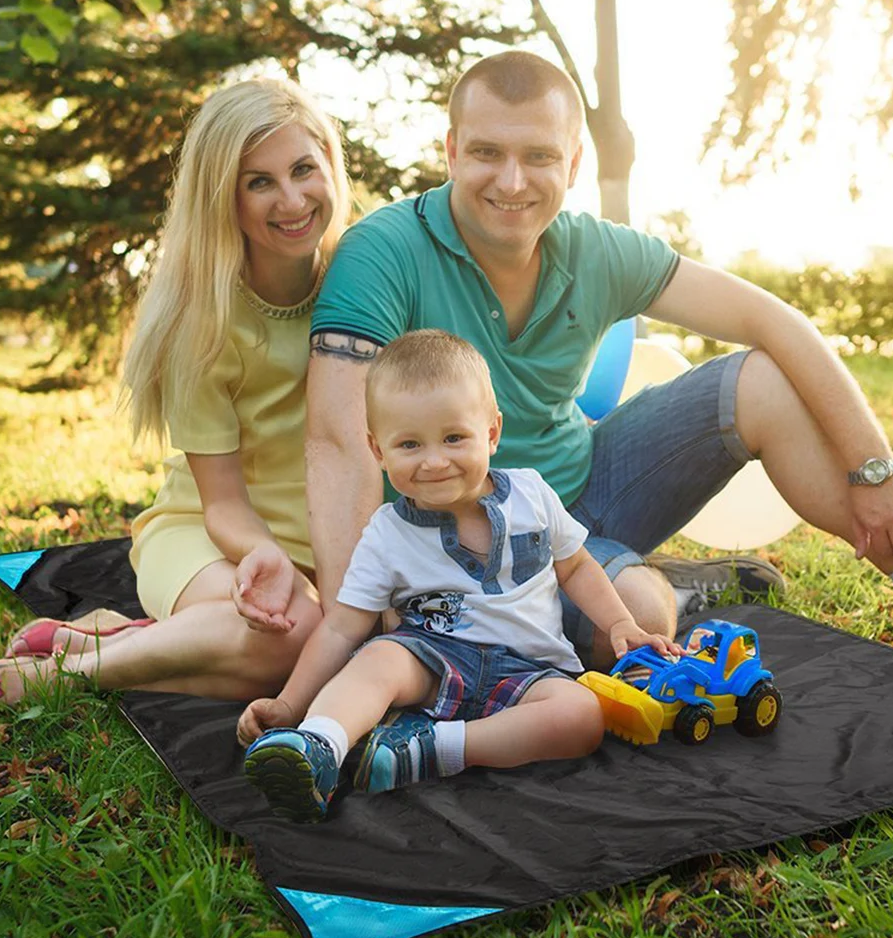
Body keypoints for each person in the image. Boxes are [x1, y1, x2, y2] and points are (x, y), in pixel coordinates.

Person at [302, 50, 893, 693]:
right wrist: (360, 630)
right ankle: (676, 586)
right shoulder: (384, 252)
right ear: (449, 151)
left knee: (758, 374)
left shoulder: (600, 249)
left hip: (594, 487)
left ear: (573, 163)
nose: (512, 182)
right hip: (459, 534)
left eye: (538, 156)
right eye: (486, 153)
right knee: (634, 624)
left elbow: (774, 321)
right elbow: (341, 442)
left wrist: (875, 466)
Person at [0, 77, 354, 710]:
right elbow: (223, 506)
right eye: (258, 181)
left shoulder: (362, 282)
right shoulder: (203, 324)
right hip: (216, 541)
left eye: (302, 170)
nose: (291, 199)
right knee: (296, 643)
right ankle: (44, 680)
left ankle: (117, 639)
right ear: (222, 198)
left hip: (327, 550)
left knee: (336, 646)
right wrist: (266, 556)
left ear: (330, 169)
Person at [235, 329, 681, 821]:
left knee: (582, 717)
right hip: (430, 660)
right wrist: (290, 702)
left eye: (453, 438)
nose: (433, 461)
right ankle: (320, 743)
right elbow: (342, 626)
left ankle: (434, 748)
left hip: (527, 670)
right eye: (408, 444)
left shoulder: (531, 496)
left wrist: (619, 623)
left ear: (491, 433)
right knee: (379, 659)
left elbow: (575, 565)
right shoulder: (387, 533)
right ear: (377, 451)